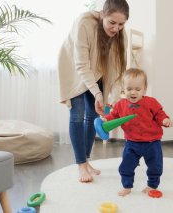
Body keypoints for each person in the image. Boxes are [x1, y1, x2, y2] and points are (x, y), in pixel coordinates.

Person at [58, 0, 129, 183]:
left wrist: (111, 98)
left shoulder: (121, 35)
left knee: (93, 116)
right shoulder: (84, 23)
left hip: (98, 70)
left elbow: (118, 70)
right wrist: (97, 93)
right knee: (78, 114)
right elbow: (81, 65)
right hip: (75, 69)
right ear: (101, 14)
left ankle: (87, 161)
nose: (116, 28)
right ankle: (81, 164)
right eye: (112, 22)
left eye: (121, 24)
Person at [102, 68, 173, 196]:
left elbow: (159, 114)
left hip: (152, 142)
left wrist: (165, 120)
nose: (133, 92)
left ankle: (152, 185)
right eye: (129, 89)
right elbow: (113, 116)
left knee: (155, 167)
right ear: (123, 89)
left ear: (144, 89)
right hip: (132, 143)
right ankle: (127, 186)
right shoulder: (120, 105)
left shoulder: (151, 102)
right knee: (125, 166)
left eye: (137, 89)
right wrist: (105, 120)